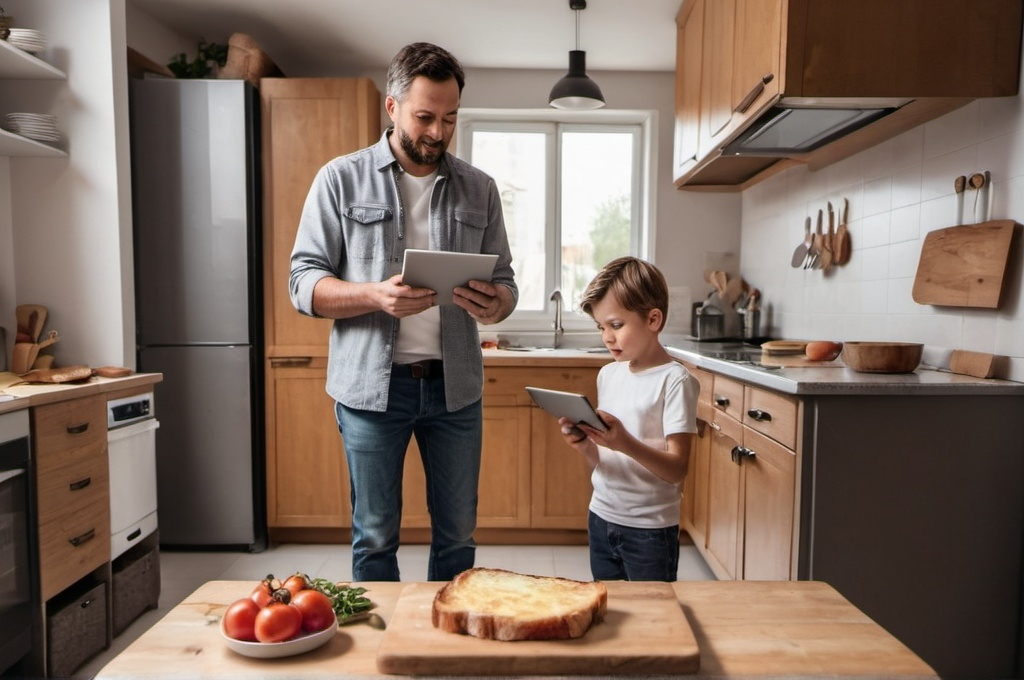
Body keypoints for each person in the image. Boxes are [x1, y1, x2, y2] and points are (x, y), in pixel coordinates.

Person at [288, 42, 518, 582]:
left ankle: (448, 652)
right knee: (374, 537)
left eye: (450, 119)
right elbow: (302, 285)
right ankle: (381, 658)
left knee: (458, 534)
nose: (438, 132)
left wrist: (496, 303)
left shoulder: (480, 189)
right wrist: (374, 296)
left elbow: (505, 284)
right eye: (425, 117)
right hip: (371, 390)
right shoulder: (339, 179)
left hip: (455, 389)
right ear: (392, 108)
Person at [559, 256, 698, 581]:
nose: (607, 337)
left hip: (650, 528)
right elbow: (605, 460)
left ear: (653, 319)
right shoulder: (609, 374)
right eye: (601, 327)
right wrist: (586, 446)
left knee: (653, 617)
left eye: (616, 325)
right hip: (602, 516)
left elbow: (677, 468)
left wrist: (623, 442)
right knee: (611, 613)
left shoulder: (675, 381)